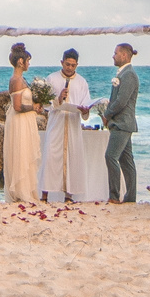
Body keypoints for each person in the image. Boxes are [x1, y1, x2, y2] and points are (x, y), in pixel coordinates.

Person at [40, 48, 92, 203]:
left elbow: (86, 103)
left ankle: (69, 195)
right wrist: (58, 100)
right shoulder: (52, 78)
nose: (70, 68)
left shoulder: (82, 82)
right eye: (67, 64)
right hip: (56, 123)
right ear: (61, 62)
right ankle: (44, 195)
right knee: (51, 157)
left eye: (73, 65)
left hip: (73, 124)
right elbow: (45, 104)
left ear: (77, 65)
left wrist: (84, 110)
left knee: (72, 158)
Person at [97, 42, 141, 203]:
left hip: (123, 123)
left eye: (115, 53)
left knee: (110, 156)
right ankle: (130, 196)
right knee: (126, 161)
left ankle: (114, 196)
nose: (113, 56)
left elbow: (121, 101)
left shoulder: (128, 75)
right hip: (121, 123)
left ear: (124, 55)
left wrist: (107, 114)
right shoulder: (123, 74)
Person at [4, 43, 41, 203]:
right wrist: (33, 107)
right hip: (20, 122)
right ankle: (21, 191)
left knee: (25, 153)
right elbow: (18, 106)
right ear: (21, 61)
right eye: (28, 60)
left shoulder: (21, 79)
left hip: (25, 120)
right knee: (21, 152)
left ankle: (27, 190)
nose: (29, 64)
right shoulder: (16, 80)